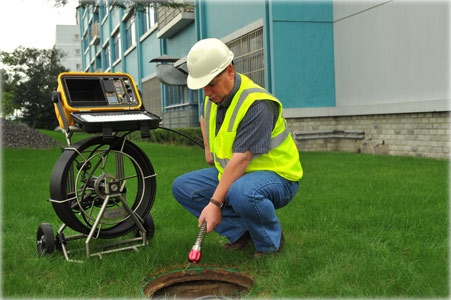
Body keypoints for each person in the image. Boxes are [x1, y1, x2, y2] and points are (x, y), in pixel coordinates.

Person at [172, 38, 303, 256]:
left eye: (211, 84)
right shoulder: (212, 98)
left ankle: (269, 245)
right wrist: (208, 150)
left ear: (230, 71)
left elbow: (241, 158)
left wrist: (214, 203)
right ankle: (244, 233)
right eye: (202, 86)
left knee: (241, 191)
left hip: (278, 177)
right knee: (184, 187)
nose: (206, 92)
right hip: (238, 175)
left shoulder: (257, 104)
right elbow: (204, 117)